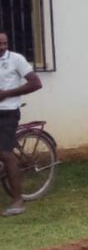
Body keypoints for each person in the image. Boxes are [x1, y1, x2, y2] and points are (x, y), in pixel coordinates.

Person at [0, 32, 43, 217]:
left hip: (8, 112)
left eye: (4, 43)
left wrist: (8, 93)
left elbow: (36, 83)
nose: (2, 46)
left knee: (5, 154)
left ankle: (17, 200)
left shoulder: (16, 59)